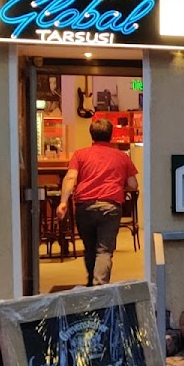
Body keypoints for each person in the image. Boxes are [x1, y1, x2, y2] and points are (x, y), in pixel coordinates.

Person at [57, 118, 139, 286]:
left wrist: (63, 202)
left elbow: (70, 178)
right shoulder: (121, 157)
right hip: (110, 207)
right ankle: (99, 286)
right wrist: (118, 186)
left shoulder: (80, 154)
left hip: (85, 207)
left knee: (90, 248)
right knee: (104, 250)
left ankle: (91, 282)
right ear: (111, 135)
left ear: (91, 135)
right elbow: (133, 184)